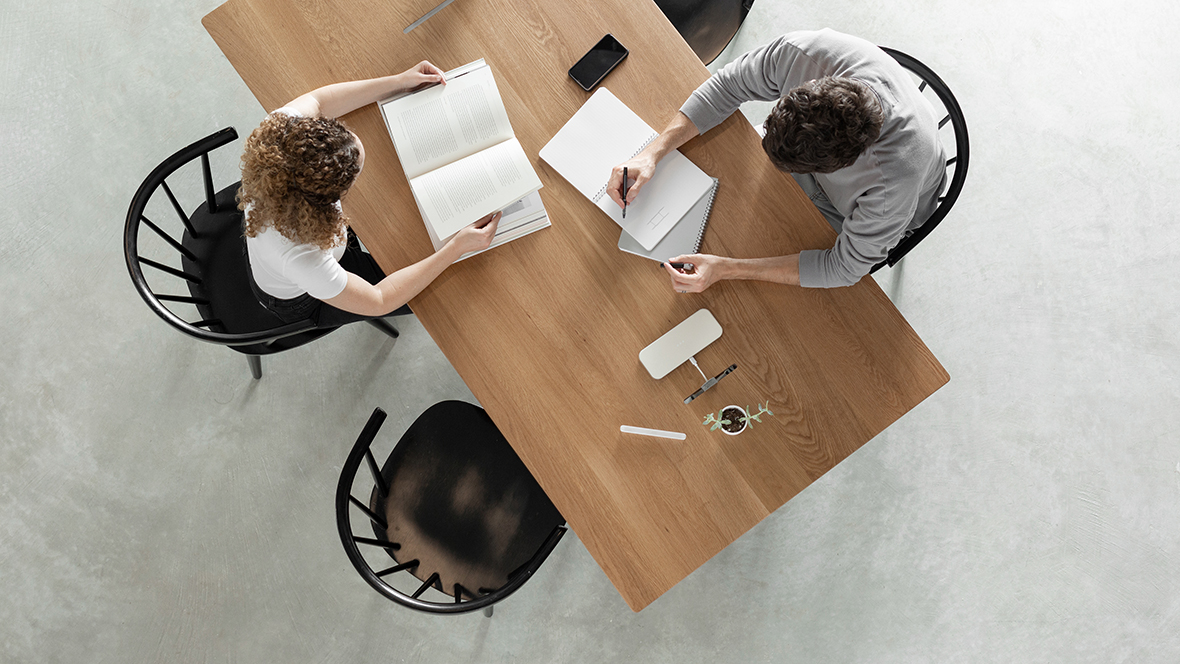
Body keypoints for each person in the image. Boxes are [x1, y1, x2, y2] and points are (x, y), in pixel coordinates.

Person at [608, 29, 946, 292]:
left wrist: (729, 269)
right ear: (807, 86)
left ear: (841, 166)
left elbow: (842, 268)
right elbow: (727, 86)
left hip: (853, 213)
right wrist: (652, 152)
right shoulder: (804, 52)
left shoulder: (891, 186)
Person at [239, 61, 501, 326]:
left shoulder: (279, 138)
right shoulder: (303, 258)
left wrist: (398, 82)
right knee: (433, 298)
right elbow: (379, 299)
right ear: (331, 197)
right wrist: (456, 247)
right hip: (300, 298)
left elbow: (318, 101)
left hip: (277, 235)